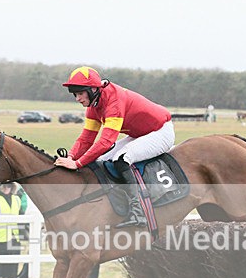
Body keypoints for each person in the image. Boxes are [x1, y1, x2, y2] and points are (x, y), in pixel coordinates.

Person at [54, 66, 175, 227]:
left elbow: (106, 141)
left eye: (80, 93)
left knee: (121, 159)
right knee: (102, 160)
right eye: (75, 94)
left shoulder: (114, 100)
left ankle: (139, 212)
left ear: (92, 90)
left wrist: (77, 164)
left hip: (161, 131)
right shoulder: (93, 106)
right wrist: (70, 157)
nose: (77, 98)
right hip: (140, 134)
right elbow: (86, 139)